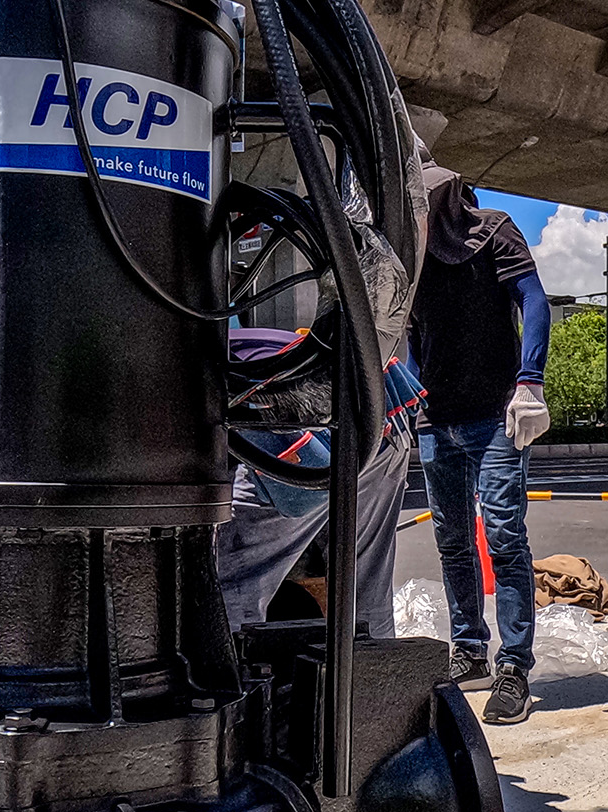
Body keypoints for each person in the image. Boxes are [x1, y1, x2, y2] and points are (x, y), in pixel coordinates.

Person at [408, 166, 551, 725]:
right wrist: (411, 394)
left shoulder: (494, 231)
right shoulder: (413, 253)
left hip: (495, 414)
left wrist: (531, 379)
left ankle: (514, 666)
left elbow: (533, 301)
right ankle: (468, 651)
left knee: (504, 537)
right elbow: (410, 332)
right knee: (451, 541)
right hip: (435, 419)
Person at [219, 349, 423, 638]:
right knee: (364, 590)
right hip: (377, 407)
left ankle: (230, 677)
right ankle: (369, 673)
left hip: (295, 428)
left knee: (227, 582)